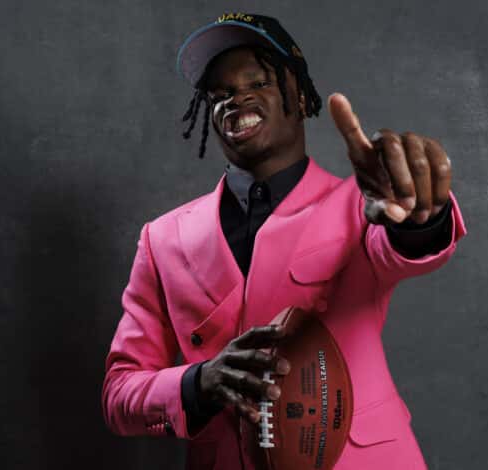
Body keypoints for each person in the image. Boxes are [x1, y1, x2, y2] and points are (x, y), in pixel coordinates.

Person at [102, 12, 467, 470]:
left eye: (259, 82)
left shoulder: (359, 204)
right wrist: (199, 383)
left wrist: (418, 217)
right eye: (221, 94)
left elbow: (404, 249)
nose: (238, 99)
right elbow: (120, 393)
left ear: (297, 93)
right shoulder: (162, 239)